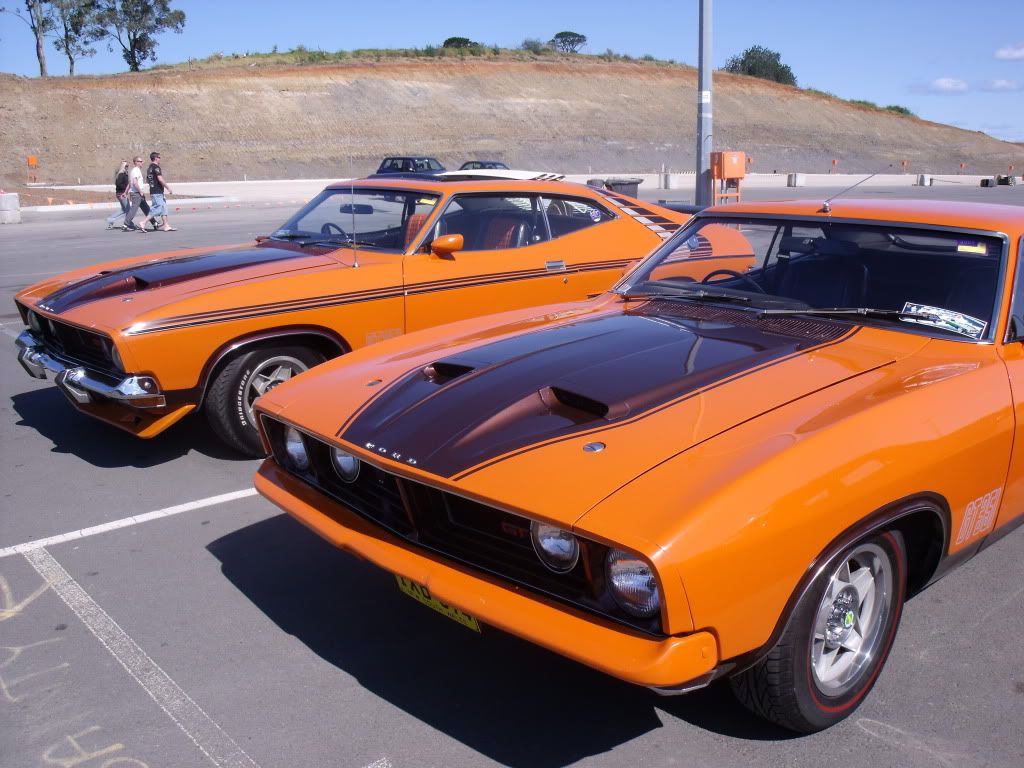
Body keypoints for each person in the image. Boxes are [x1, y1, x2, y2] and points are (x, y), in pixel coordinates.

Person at [146, 151, 176, 231]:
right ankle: (143, 222)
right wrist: (168, 188)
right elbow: (160, 179)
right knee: (157, 209)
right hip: (157, 192)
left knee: (164, 208)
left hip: (155, 191)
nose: (160, 159)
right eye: (159, 157)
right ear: (155, 158)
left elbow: (147, 180)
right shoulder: (156, 167)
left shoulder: (149, 168)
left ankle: (166, 225)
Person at [122, 156, 149, 232]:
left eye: (142, 161)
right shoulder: (136, 170)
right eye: (140, 161)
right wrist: (140, 191)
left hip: (137, 192)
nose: (142, 162)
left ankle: (154, 222)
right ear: (135, 162)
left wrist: (126, 192)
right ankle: (125, 224)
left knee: (146, 208)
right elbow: (134, 182)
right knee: (133, 209)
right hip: (137, 193)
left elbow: (130, 183)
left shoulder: (135, 171)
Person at [104, 161, 130, 229]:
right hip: (121, 194)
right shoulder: (121, 174)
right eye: (126, 166)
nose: (127, 167)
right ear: (123, 166)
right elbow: (119, 184)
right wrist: (126, 188)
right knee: (128, 210)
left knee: (123, 210)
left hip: (120, 193)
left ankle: (110, 219)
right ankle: (128, 224)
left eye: (128, 166)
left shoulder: (123, 174)